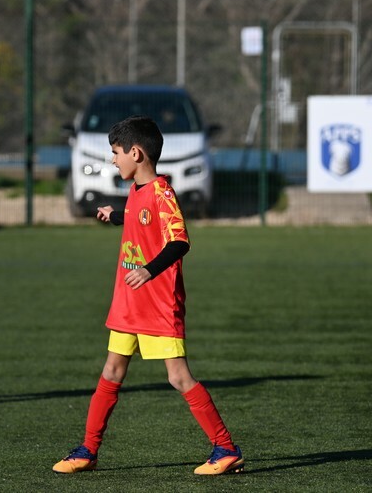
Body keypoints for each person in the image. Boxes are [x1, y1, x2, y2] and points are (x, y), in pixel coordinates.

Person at [52, 115, 244, 475]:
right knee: (111, 370)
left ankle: (225, 448)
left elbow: (179, 241)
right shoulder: (137, 191)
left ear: (136, 153)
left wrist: (148, 270)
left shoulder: (162, 192)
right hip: (129, 302)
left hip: (157, 303)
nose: (113, 159)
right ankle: (88, 450)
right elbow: (140, 219)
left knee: (179, 377)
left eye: (116, 152)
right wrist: (115, 216)